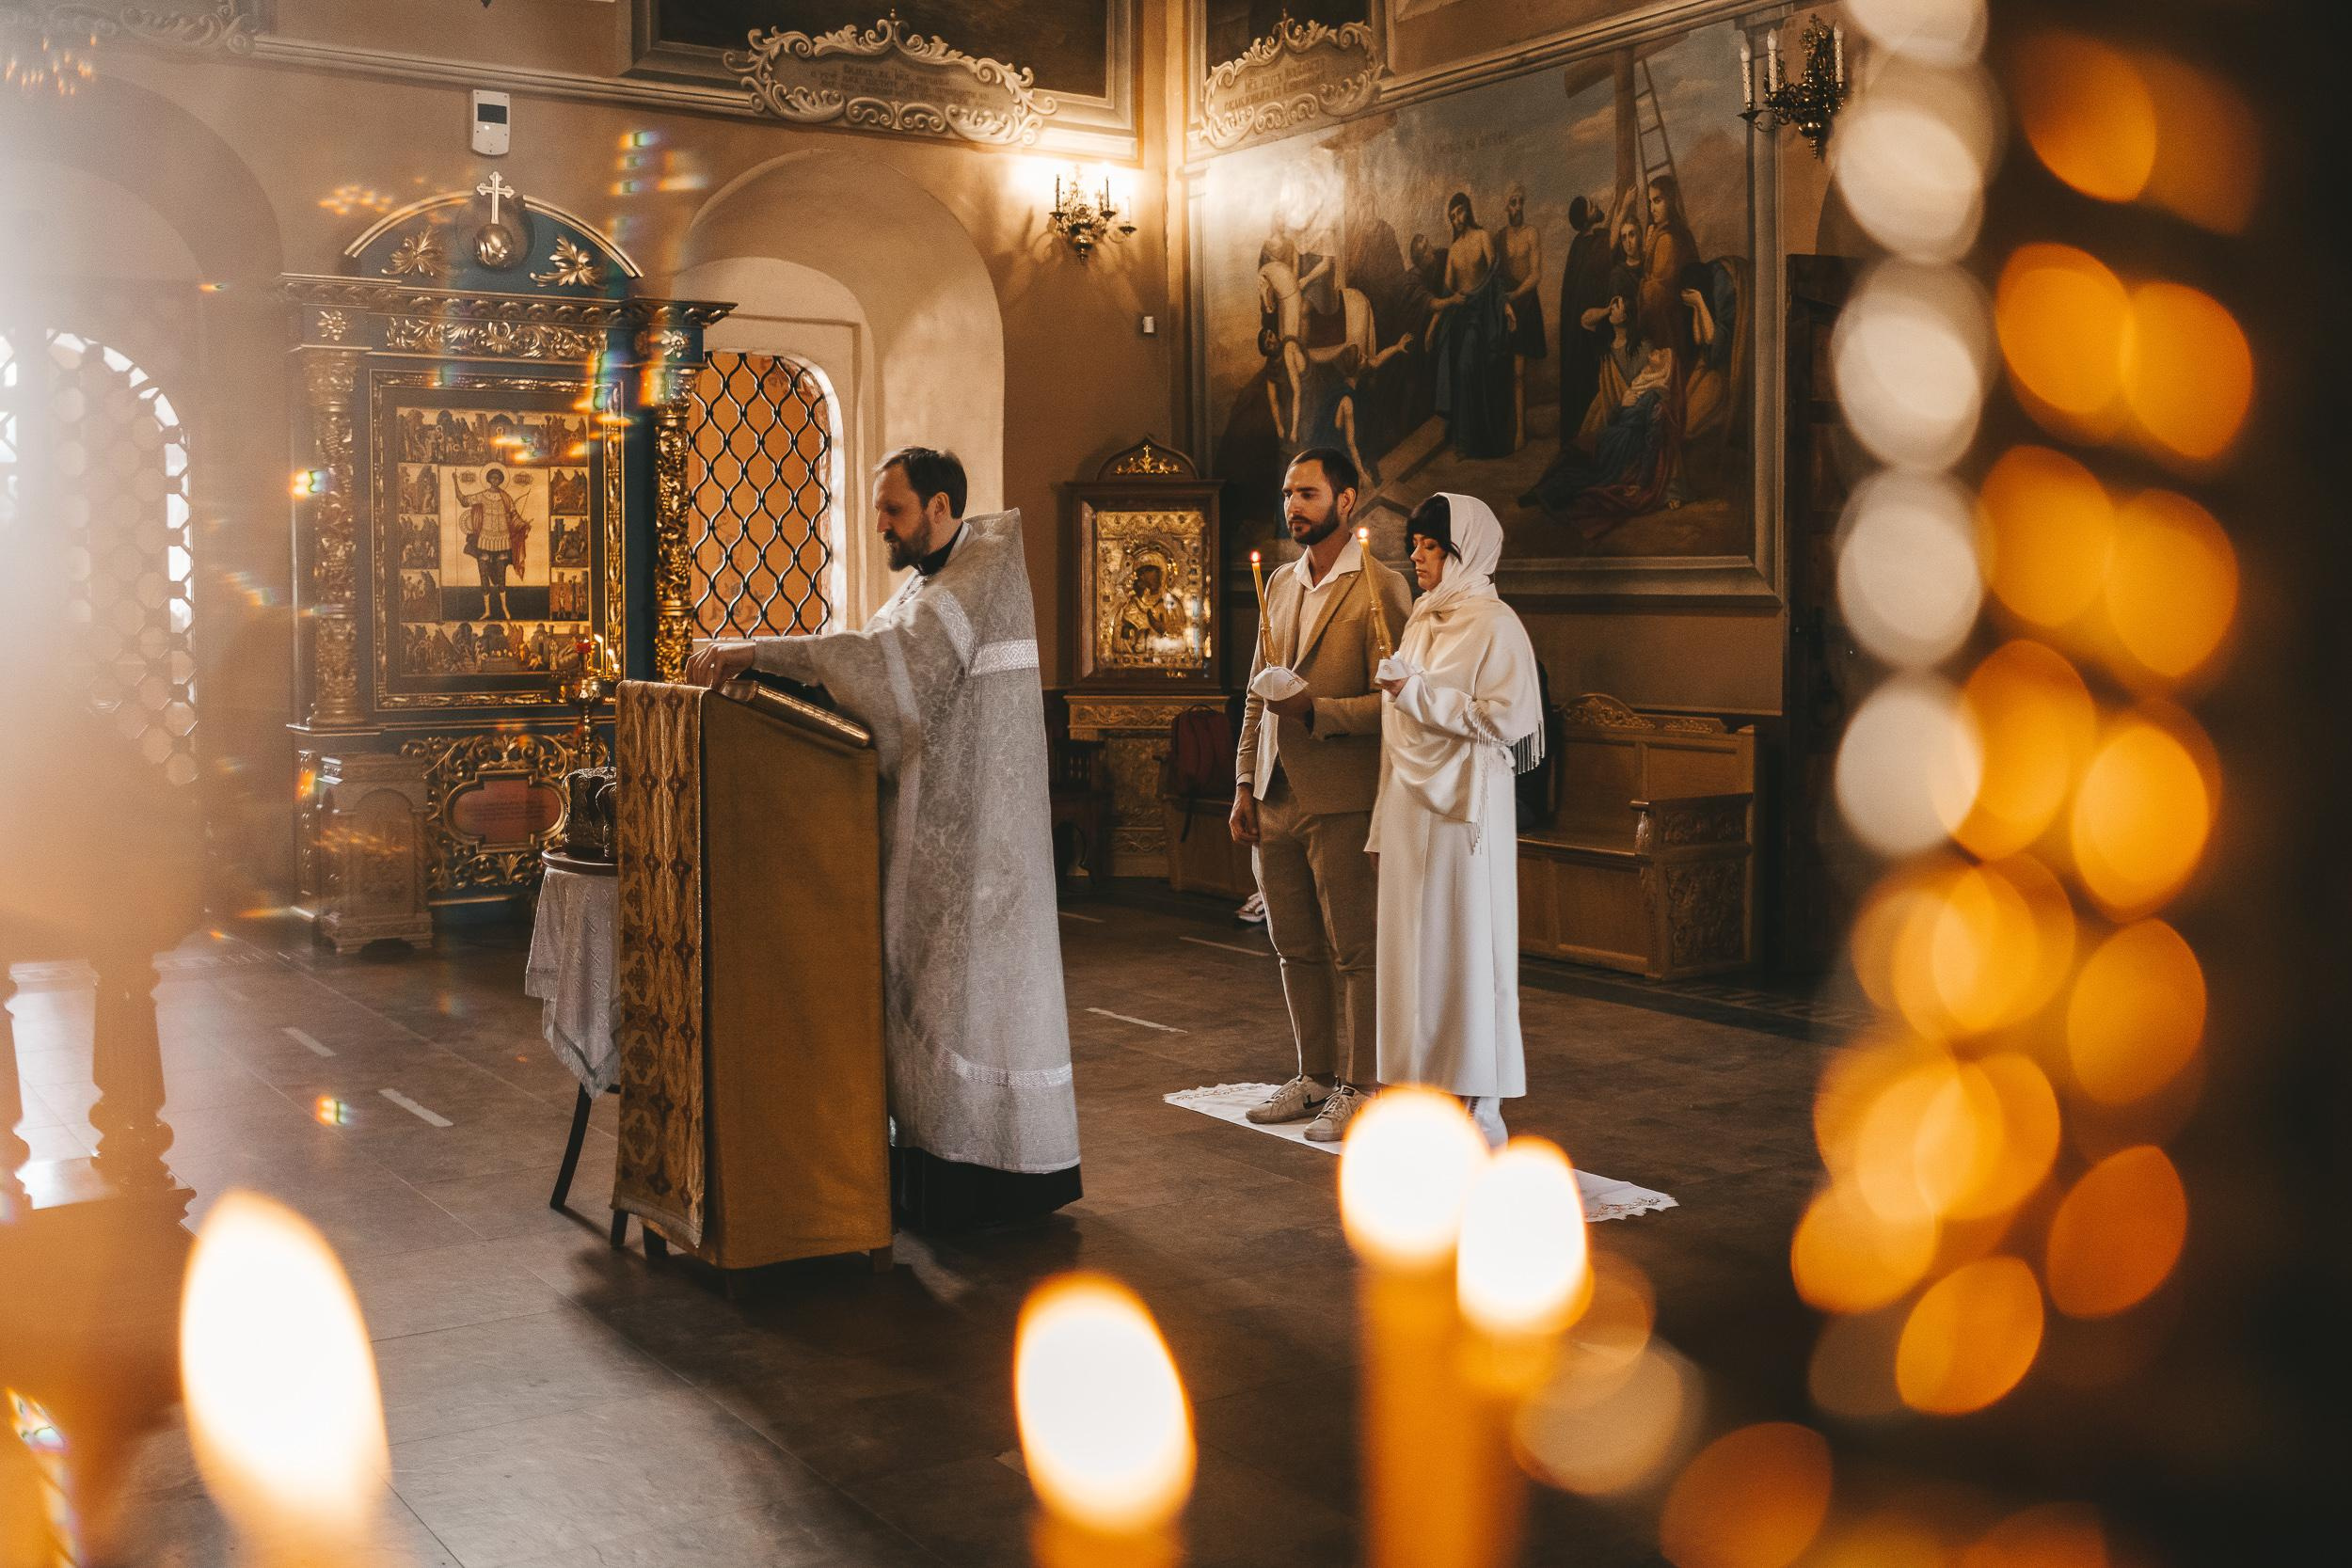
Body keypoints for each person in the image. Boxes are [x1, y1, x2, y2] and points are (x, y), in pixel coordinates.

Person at [685, 447, 1082, 1231]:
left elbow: (885, 666)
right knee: (941, 995)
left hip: (979, 848)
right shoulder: (930, 581)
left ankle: (987, 1180)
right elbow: (875, 668)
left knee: (970, 1001)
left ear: (939, 507)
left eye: (892, 510)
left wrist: (756, 650)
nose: (881, 525)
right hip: (940, 833)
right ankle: (932, 1166)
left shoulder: (973, 579)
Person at [1230, 447, 1410, 1142]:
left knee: (1355, 947)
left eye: (1307, 493)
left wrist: (1318, 712)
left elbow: (1394, 705)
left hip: (1343, 794)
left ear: (1347, 499)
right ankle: (1313, 1074)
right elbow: (1255, 690)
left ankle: (1361, 1085)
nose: (1292, 506)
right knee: (1292, 942)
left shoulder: (1381, 587)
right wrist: (1244, 781)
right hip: (1276, 793)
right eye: (1286, 494)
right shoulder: (1278, 581)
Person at [1368, 492, 1545, 1148]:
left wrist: (1415, 693)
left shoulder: (1496, 624)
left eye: (1431, 546)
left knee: (1465, 947)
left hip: (1467, 809)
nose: (1416, 555)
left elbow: (1506, 718)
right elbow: (1397, 732)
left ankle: (1478, 1109)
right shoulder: (1420, 621)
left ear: (1464, 551)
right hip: (1413, 809)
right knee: (1414, 951)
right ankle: (1419, 1095)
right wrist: (1381, 822)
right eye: (1415, 544)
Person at [1423, 192, 1514, 460]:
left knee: (1465, 369)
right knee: (1456, 374)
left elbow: (1495, 278)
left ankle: (1470, 442)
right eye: (1452, 216)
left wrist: (1506, 307)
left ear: (1468, 211)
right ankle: (1462, 441)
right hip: (1459, 317)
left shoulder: (1482, 237)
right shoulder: (1453, 250)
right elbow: (1447, 290)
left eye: (1460, 212)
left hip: (1480, 315)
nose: (1457, 219)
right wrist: (1432, 327)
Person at [1499, 182, 1547, 450]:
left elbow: (1536, 274)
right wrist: (1504, 304)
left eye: (1520, 202)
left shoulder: (1532, 233)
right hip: (1506, 306)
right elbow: (1495, 277)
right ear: (1506, 206)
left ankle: (1520, 431)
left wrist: (1514, 297)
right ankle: (1505, 428)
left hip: (1526, 305)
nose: (1517, 207)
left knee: (1519, 373)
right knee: (1503, 370)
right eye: (1513, 202)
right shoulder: (1500, 237)